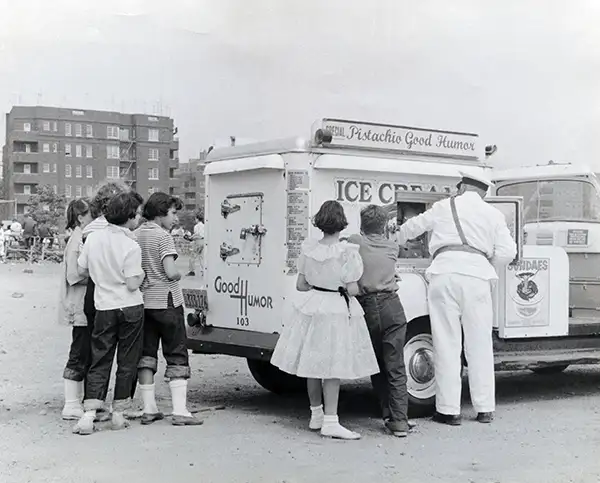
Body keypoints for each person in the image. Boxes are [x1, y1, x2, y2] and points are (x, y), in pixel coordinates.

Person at [396, 172, 516, 426]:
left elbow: (411, 228)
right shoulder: (494, 215)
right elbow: (509, 251)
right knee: (479, 344)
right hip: (478, 278)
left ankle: (449, 411)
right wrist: (484, 263)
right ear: (484, 192)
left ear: (462, 187)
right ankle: (485, 408)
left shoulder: (443, 206)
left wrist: (390, 240)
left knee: (446, 343)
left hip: (444, 274)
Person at [270, 200, 379, 440]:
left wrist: (316, 282)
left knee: (313, 363)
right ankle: (331, 421)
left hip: (312, 304)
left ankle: (316, 414)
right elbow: (351, 288)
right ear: (341, 224)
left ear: (320, 223)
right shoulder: (347, 252)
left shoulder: (309, 249)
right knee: (332, 366)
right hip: (335, 307)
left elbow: (300, 285)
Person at [73, 192, 145, 435]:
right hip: (130, 306)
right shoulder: (132, 245)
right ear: (129, 217)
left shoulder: (93, 238)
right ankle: (119, 413)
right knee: (127, 360)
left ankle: (89, 413)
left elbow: (81, 270)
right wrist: (141, 275)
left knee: (100, 358)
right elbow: (133, 283)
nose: (138, 218)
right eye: (136, 214)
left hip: (103, 306)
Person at [136, 193, 203, 426]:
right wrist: (179, 274)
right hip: (167, 299)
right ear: (160, 212)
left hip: (144, 301)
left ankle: (149, 407)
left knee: (146, 353)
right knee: (176, 352)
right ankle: (180, 410)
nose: (175, 218)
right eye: (173, 213)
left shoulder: (135, 235)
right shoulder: (163, 237)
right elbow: (170, 270)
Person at [347, 205, 414, 438]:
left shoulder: (355, 241)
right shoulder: (393, 246)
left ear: (362, 225)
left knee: (376, 363)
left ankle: (388, 414)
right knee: (395, 365)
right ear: (384, 226)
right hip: (392, 306)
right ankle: (400, 421)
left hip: (368, 307)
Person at [59, 199, 93, 420]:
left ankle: (79, 399)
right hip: (79, 304)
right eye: (91, 215)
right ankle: (71, 403)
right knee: (79, 351)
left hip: (84, 304)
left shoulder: (80, 237)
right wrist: (96, 273)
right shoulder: (77, 240)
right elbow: (73, 275)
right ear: (81, 217)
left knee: (86, 351)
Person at [188, 213, 205, 277]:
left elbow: (197, 234)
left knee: (192, 257)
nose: (195, 220)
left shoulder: (196, 226)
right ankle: (204, 271)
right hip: (204, 241)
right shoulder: (204, 225)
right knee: (201, 258)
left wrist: (190, 238)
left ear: (197, 219)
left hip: (198, 242)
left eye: (195, 219)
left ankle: (192, 271)